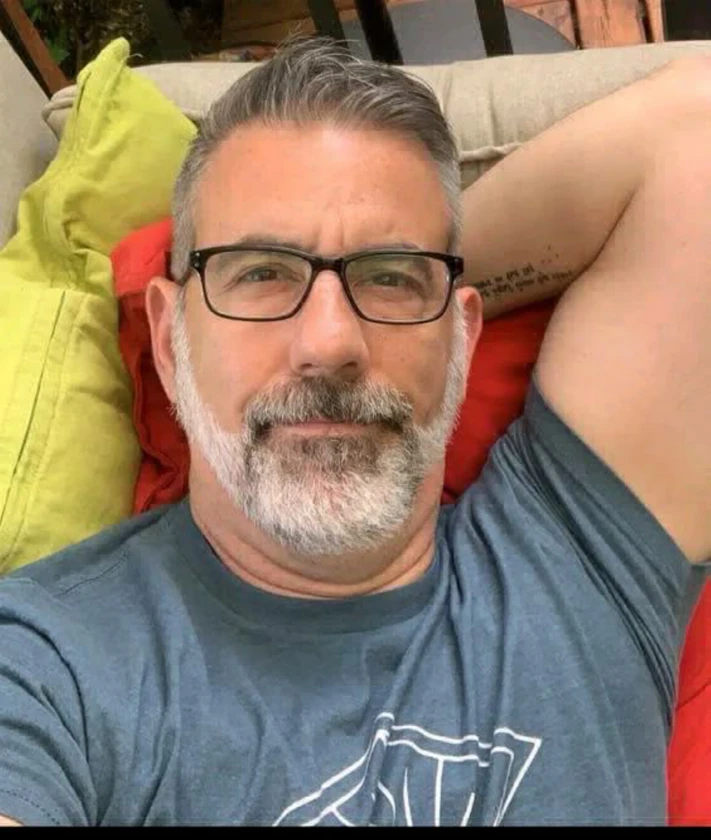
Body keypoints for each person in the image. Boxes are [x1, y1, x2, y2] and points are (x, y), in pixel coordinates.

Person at [0, 37, 709, 827]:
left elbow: (698, 125)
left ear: (463, 338)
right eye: (260, 273)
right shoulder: (44, 664)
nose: (330, 342)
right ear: (169, 341)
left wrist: (425, 276)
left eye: (390, 278)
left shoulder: (582, 553)